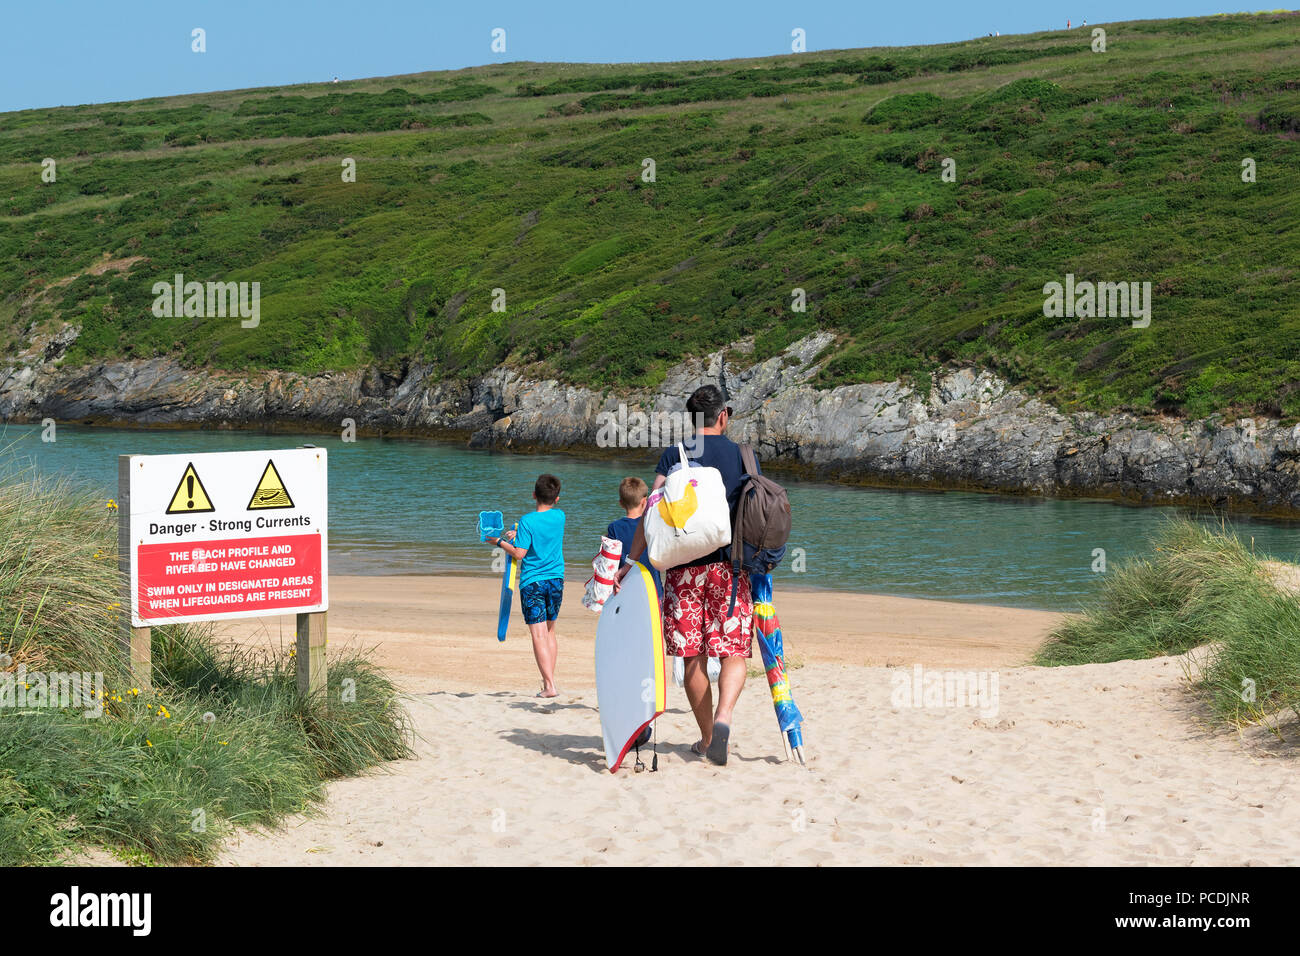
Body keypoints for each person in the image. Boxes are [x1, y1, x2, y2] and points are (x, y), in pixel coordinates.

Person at [618, 384, 757, 766]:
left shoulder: (674, 455)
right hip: (729, 568)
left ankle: (707, 737)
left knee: (692, 655)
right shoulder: (743, 456)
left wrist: (631, 561)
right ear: (723, 416)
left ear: (692, 420)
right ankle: (724, 717)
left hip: (683, 572)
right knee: (733, 651)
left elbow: (651, 513)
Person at [487, 474, 565, 698]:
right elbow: (540, 530)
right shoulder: (560, 516)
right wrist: (519, 533)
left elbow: (519, 554)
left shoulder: (528, 521)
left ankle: (550, 686)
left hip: (533, 582)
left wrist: (499, 542)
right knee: (550, 631)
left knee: (538, 635)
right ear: (557, 499)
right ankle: (548, 680)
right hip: (556, 580)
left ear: (533, 495)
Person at [606, 477, 662, 599]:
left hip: (625, 586)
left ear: (621, 503)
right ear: (644, 501)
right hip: (652, 586)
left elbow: (609, 561)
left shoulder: (614, 527)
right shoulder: (651, 523)